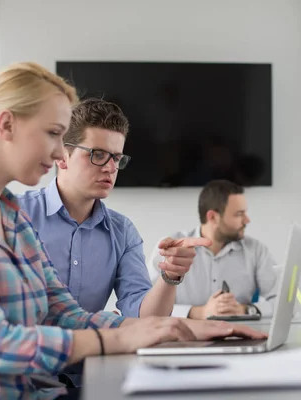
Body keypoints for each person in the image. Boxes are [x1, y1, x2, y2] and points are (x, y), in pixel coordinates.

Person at [0, 62, 266, 399]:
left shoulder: (9, 212)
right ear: (8, 124)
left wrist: (183, 327)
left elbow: (63, 312)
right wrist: (115, 338)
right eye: (53, 134)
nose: (59, 152)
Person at [19, 98, 194, 318]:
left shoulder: (123, 232)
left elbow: (144, 317)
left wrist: (170, 276)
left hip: (94, 349)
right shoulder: (16, 214)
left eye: (116, 158)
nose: (111, 168)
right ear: (62, 157)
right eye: (98, 155)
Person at [149, 180, 279, 319]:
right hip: (182, 336)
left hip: (239, 336)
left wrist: (245, 310)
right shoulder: (172, 249)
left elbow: (284, 301)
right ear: (213, 217)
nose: (247, 220)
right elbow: (146, 307)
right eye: (239, 214)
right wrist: (199, 312)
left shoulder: (256, 251)